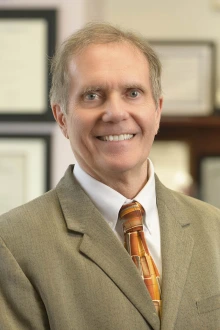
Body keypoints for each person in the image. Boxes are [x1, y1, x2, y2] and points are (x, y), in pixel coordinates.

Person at [0, 22, 220, 330]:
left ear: (156, 111)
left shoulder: (214, 228)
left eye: (132, 93)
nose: (115, 113)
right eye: (92, 95)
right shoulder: (11, 243)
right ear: (62, 118)